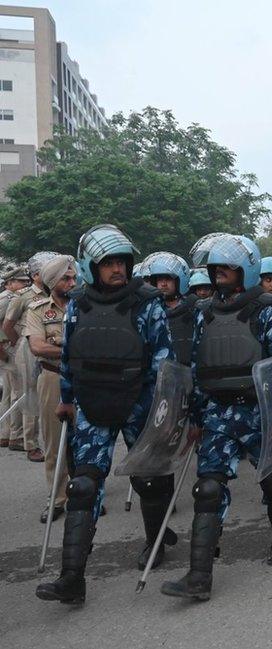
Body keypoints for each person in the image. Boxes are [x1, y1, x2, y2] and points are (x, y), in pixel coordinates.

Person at [36, 225, 175, 604]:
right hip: (93, 405)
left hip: (138, 402)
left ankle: (156, 541)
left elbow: (165, 359)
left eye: (121, 262)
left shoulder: (147, 303)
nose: (117, 269)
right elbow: (68, 358)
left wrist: (165, 409)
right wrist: (66, 398)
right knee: (82, 486)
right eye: (108, 263)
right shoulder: (78, 304)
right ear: (90, 266)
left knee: (149, 479)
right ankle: (72, 577)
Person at [161, 234, 272, 601]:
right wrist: (194, 417)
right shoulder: (203, 313)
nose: (219, 272)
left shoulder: (266, 311)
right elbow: (197, 366)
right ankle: (199, 576)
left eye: (227, 266)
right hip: (219, 413)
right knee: (208, 489)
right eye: (215, 267)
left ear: (246, 270)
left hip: (260, 413)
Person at [25, 255, 76, 523]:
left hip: (83, 379)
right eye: (66, 278)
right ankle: (57, 499)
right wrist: (71, 352)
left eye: (74, 278)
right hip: (53, 378)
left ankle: (83, 496)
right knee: (54, 442)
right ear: (52, 281)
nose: (72, 282)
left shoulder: (85, 305)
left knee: (84, 443)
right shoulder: (37, 309)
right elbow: (38, 347)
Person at [4, 251, 57, 462]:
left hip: (49, 348)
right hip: (28, 348)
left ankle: (48, 439)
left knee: (47, 392)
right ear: (36, 275)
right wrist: (19, 343)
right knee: (29, 394)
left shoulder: (53, 293)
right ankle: (30, 444)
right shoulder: (23, 296)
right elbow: (7, 324)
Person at [145, 253, 195, 366]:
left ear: (179, 280)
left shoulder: (194, 308)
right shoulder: (150, 311)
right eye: (159, 279)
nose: (163, 284)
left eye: (168, 279)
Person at [0, 265, 30, 450]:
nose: (25, 284)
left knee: (10, 394)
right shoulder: (7, 299)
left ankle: (6, 434)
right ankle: (16, 437)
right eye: (21, 282)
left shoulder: (10, 297)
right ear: (10, 283)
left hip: (7, 349)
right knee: (19, 393)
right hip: (8, 350)